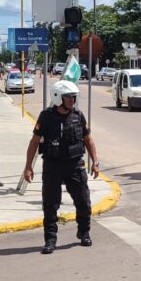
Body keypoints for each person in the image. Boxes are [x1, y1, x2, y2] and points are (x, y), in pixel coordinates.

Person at [24, 79, 100, 254]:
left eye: (74, 97)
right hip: (52, 165)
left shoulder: (78, 115)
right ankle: (50, 240)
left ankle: (84, 232)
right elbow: (34, 142)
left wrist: (95, 162)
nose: (72, 101)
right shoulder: (46, 117)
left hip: (74, 164)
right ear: (58, 97)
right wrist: (28, 167)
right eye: (69, 97)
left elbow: (88, 140)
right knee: (50, 205)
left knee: (83, 201)